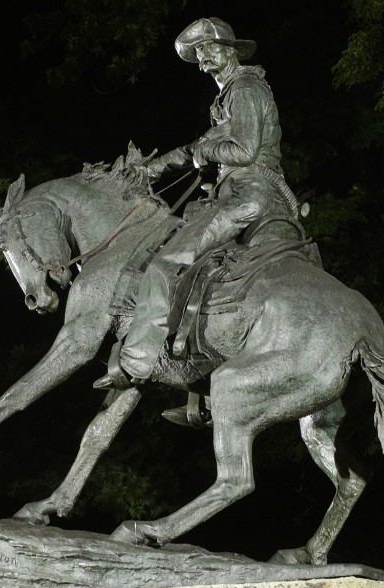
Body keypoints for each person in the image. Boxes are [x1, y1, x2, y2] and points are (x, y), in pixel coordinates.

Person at [95, 17, 300, 389]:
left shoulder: (247, 88)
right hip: (239, 195)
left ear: (230, 49)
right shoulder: (226, 98)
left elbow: (243, 149)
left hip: (248, 196)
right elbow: (193, 150)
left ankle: (136, 363)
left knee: (165, 265)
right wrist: (151, 170)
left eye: (208, 47)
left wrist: (206, 151)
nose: (202, 56)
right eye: (197, 52)